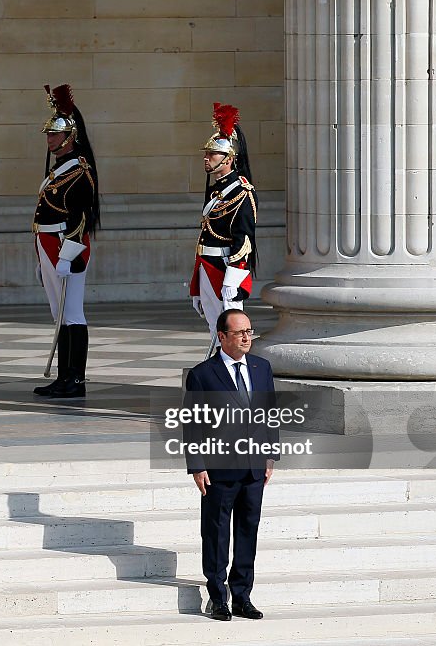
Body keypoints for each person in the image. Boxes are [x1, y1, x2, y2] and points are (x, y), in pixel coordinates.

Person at [183, 309, 276, 621]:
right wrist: (197, 465)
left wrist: (270, 454)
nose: (247, 337)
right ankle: (217, 597)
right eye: (239, 332)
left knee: (248, 530)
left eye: (250, 331)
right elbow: (192, 423)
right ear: (221, 337)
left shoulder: (262, 368)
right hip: (219, 469)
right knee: (216, 533)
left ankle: (242, 596)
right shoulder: (203, 374)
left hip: (253, 468)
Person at [31, 84, 99, 398]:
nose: (49, 139)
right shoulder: (59, 170)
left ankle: (76, 379)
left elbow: (80, 219)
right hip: (49, 246)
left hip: (65, 247)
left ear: (69, 138)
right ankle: (64, 377)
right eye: (48, 134)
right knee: (61, 315)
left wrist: (66, 255)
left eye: (54, 135)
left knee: (72, 314)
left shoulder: (79, 172)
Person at [190, 104, 257, 340]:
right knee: (214, 329)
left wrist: (233, 279)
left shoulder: (241, 192)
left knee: (233, 333)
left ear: (229, 158)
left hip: (225, 269)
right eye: (206, 154)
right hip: (206, 266)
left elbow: (244, 239)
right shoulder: (216, 191)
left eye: (212, 154)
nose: (206, 158)